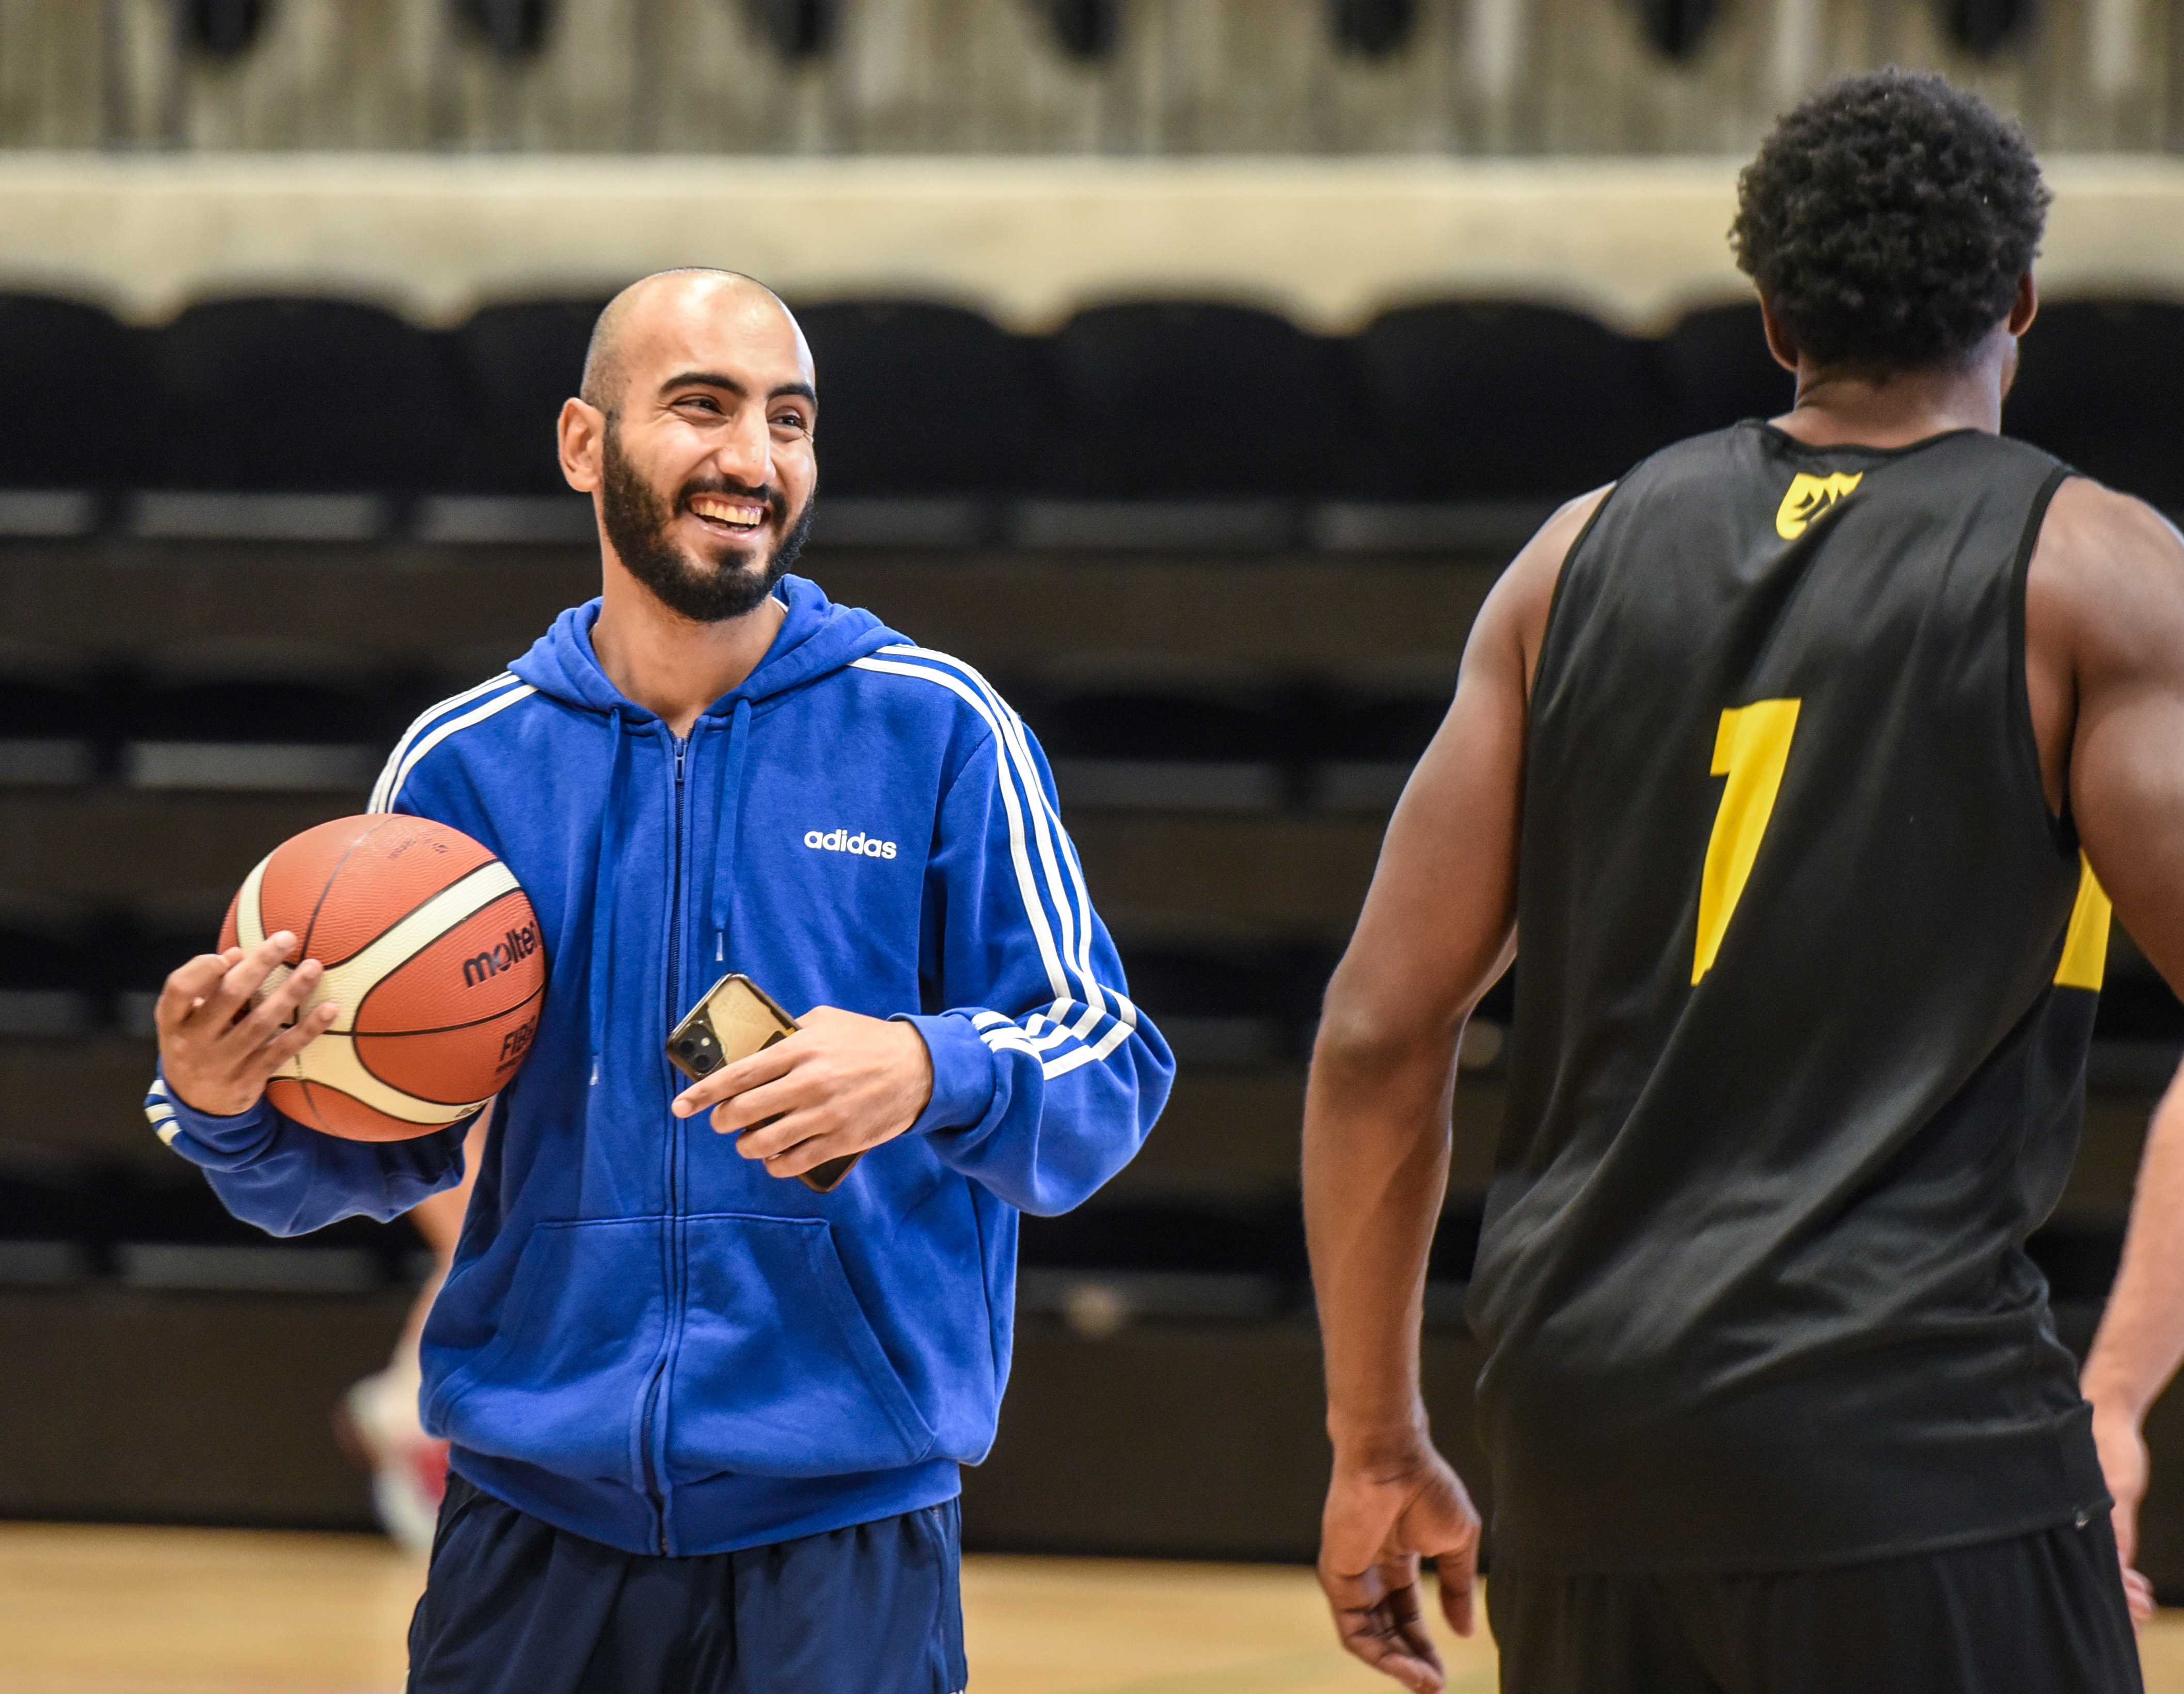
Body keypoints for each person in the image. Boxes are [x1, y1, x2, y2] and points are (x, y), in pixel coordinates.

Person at [145, 268, 1173, 1692]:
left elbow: (1112, 1063)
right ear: (584, 445)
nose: (753, 460)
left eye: (789, 421)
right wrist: (220, 1103)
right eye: (703, 407)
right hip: (529, 1526)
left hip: (845, 1533)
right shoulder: (464, 768)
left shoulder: (937, 727)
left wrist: (928, 1066)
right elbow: (363, 1155)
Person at [1303, 71, 2184, 1694]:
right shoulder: (2100, 572)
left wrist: (1377, 1442)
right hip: (1916, 1441)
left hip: (1582, 1447)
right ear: (2021, 302)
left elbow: (1374, 1033)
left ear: (1774, 319)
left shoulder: (1569, 561)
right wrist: (2117, 1390)